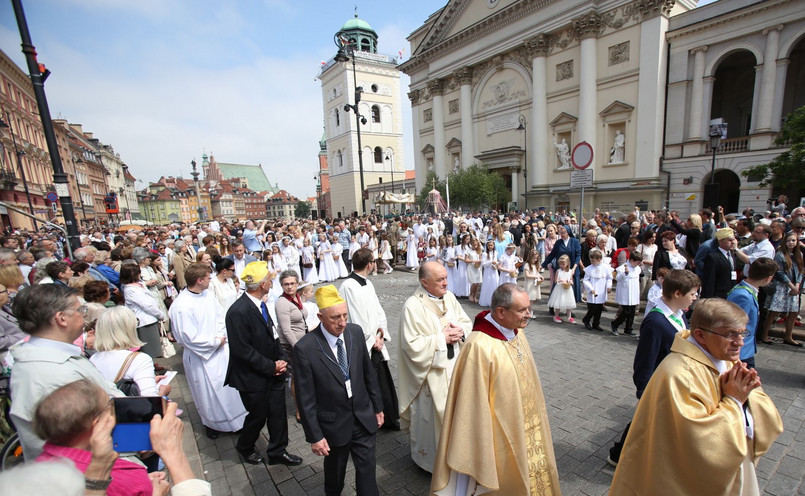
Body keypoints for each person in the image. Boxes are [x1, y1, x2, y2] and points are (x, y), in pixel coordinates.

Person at [609, 299, 783, 495]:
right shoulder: (679, 374)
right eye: (731, 334)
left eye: (743, 333)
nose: (740, 342)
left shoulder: (724, 359)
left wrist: (748, 391)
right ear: (700, 335)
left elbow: (756, 406)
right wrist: (734, 401)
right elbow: (698, 444)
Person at [430, 284, 561, 495]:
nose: (529, 315)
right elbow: (471, 408)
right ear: (501, 312)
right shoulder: (479, 346)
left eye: (529, 308)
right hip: (494, 437)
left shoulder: (517, 333)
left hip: (526, 427)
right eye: (523, 310)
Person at [8, 284, 123, 460]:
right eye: (80, 309)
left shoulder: (55, 354)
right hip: (92, 470)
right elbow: (80, 440)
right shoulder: (48, 372)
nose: (83, 314)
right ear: (61, 318)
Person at [293, 285, 383, 495]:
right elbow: (306, 398)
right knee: (335, 476)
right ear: (320, 316)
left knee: (368, 473)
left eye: (344, 315)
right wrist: (315, 436)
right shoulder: (305, 348)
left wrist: (377, 407)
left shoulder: (355, 332)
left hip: (362, 417)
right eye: (335, 318)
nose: (342, 322)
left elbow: (368, 374)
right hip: (333, 426)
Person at [607, 269, 701, 467]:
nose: (695, 298)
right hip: (659, 381)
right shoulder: (655, 321)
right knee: (645, 419)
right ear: (677, 293)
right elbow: (644, 360)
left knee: (650, 420)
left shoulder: (678, 314)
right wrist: (644, 389)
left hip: (674, 380)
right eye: (692, 294)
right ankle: (618, 454)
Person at [224, 261, 302, 466]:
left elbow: (273, 336)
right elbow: (242, 350)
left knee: (277, 413)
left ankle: (277, 450)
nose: (272, 281)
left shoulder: (261, 304)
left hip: (273, 371)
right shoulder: (238, 312)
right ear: (261, 285)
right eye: (269, 279)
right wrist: (271, 366)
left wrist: (282, 359)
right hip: (253, 377)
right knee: (258, 415)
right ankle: (245, 446)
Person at [398, 261, 472, 472]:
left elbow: (465, 322)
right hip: (431, 376)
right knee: (432, 423)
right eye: (440, 280)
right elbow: (410, 346)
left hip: (455, 368)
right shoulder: (412, 306)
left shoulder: (449, 297)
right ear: (424, 282)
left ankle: (458, 459)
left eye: (446, 278)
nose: (446, 283)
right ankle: (430, 464)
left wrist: (461, 332)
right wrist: (441, 339)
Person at [170, 263, 247, 439]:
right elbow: (186, 337)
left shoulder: (207, 295)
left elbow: (221, 316)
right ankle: (212, 423)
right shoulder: (182, 306)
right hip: (200, 356)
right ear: (199, 280)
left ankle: (238, 421)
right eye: (208, 277)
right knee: (206, 393)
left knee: (228, 389)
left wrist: (222, 336)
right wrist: (214, 342)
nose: (210, 280)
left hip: (220, 349)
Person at [339, 248, 400, 431]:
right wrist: (371, 339)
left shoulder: (368, 283)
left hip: (376, 341)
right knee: (369, 382)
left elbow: (379, 310)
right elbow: (356, 319)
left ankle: (389, 417)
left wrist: (382, 334)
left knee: (382, 381)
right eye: (373, 261)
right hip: (365, 345)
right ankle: (373, 418)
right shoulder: (348, 286)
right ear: (369, 264)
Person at [90, 306, 171, 398]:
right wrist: (163, 393)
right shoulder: (140, 359)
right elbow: (150, 401)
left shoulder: (93, 359)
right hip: (134, 411)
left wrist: (148, 380)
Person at [727, 258, 777, 369]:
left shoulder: (747, 290)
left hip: (746, 349)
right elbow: (736, 325)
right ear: (768, 279)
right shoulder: (743, 296)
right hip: (742, 352)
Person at [759, 231, 804, 346]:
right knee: (774, 311)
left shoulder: (799, 255)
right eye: (789, 240)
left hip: (794, 286)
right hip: (782, 286)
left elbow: (800, 270)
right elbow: (779, 272)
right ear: (785, 242)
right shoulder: (780, 254)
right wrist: (791, 285)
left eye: (793, 240)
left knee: (793, 312)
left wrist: (797, 284)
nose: (791, 243)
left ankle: (788, 336)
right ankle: (764, 335)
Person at [275, 269, 307, 422]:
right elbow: (286, 330)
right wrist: (298, 347)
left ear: (297, 283)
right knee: (296, 377)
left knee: (303, 376)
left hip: (301, 342)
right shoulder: (282, 302)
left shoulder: (297, 298)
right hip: (291, 345)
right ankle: (299, 410)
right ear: (281, 285)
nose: (289, 287)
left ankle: (307, 404)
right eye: (286, 284)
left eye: (292, 283)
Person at [120, 264, 164, 359]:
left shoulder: (139, 284)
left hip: (151, 318)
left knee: (154, 346)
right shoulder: (130, 290)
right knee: (149, 348)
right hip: (144, 321)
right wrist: (160, 314)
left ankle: (153, 364)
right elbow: (146, 305)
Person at [611, 251, 643, 336]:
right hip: (625, 293)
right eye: (637, 262)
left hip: (634, 293)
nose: (639, 264)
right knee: (626, 311)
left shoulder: (637, 268)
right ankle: (615, 324)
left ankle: (628, 329)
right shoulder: (622, 268)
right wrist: (625, 273)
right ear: (631, 260)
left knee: (632, 312)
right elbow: (617, 278)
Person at [701, 228, 739, 299]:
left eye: (733, 240)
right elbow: (709, 280)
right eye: (729, 240)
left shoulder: (732, 256)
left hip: (730, 294)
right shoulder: (713, 257)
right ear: (720, 241)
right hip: (718, 296)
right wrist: (708, 298)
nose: (733, 242)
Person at [581, 249, 612, 331]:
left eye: (593, 260)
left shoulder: (606, 268)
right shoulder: (589, 269)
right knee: (593, 308)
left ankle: (596, 323)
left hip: (601, 290)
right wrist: (590, 288)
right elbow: (586, 280)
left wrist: (609, 286)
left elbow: (609, 278)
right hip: (593, 290)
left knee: (599, 308)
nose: (591, 262)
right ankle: (586, 319)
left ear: (599, 259)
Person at [547, 254, 576, 323]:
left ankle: (569, 317)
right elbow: (555, 281)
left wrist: (570, 282)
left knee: (569, 303)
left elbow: (571, 280)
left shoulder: (570, 271)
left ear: (567, 263)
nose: (561, 266)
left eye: (563, 264)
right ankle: (556, 316)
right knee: (558, 303)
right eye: (560, 264)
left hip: (568, 289)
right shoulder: (558, 271)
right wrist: (560, 281)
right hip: (560, 289)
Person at [479, 240, 499, 307]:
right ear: (487, 246)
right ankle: (487, 300)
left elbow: (496, 261)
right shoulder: (484, 254)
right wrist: (490, 262)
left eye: (492, 245)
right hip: (487, 271)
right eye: (489, 245)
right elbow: (483, 264)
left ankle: (494, 301)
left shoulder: (495, 253)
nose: (490, 247)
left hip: (494, 270)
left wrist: (495, 265)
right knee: (488, 285)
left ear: (494, 246)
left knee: (494, 284)